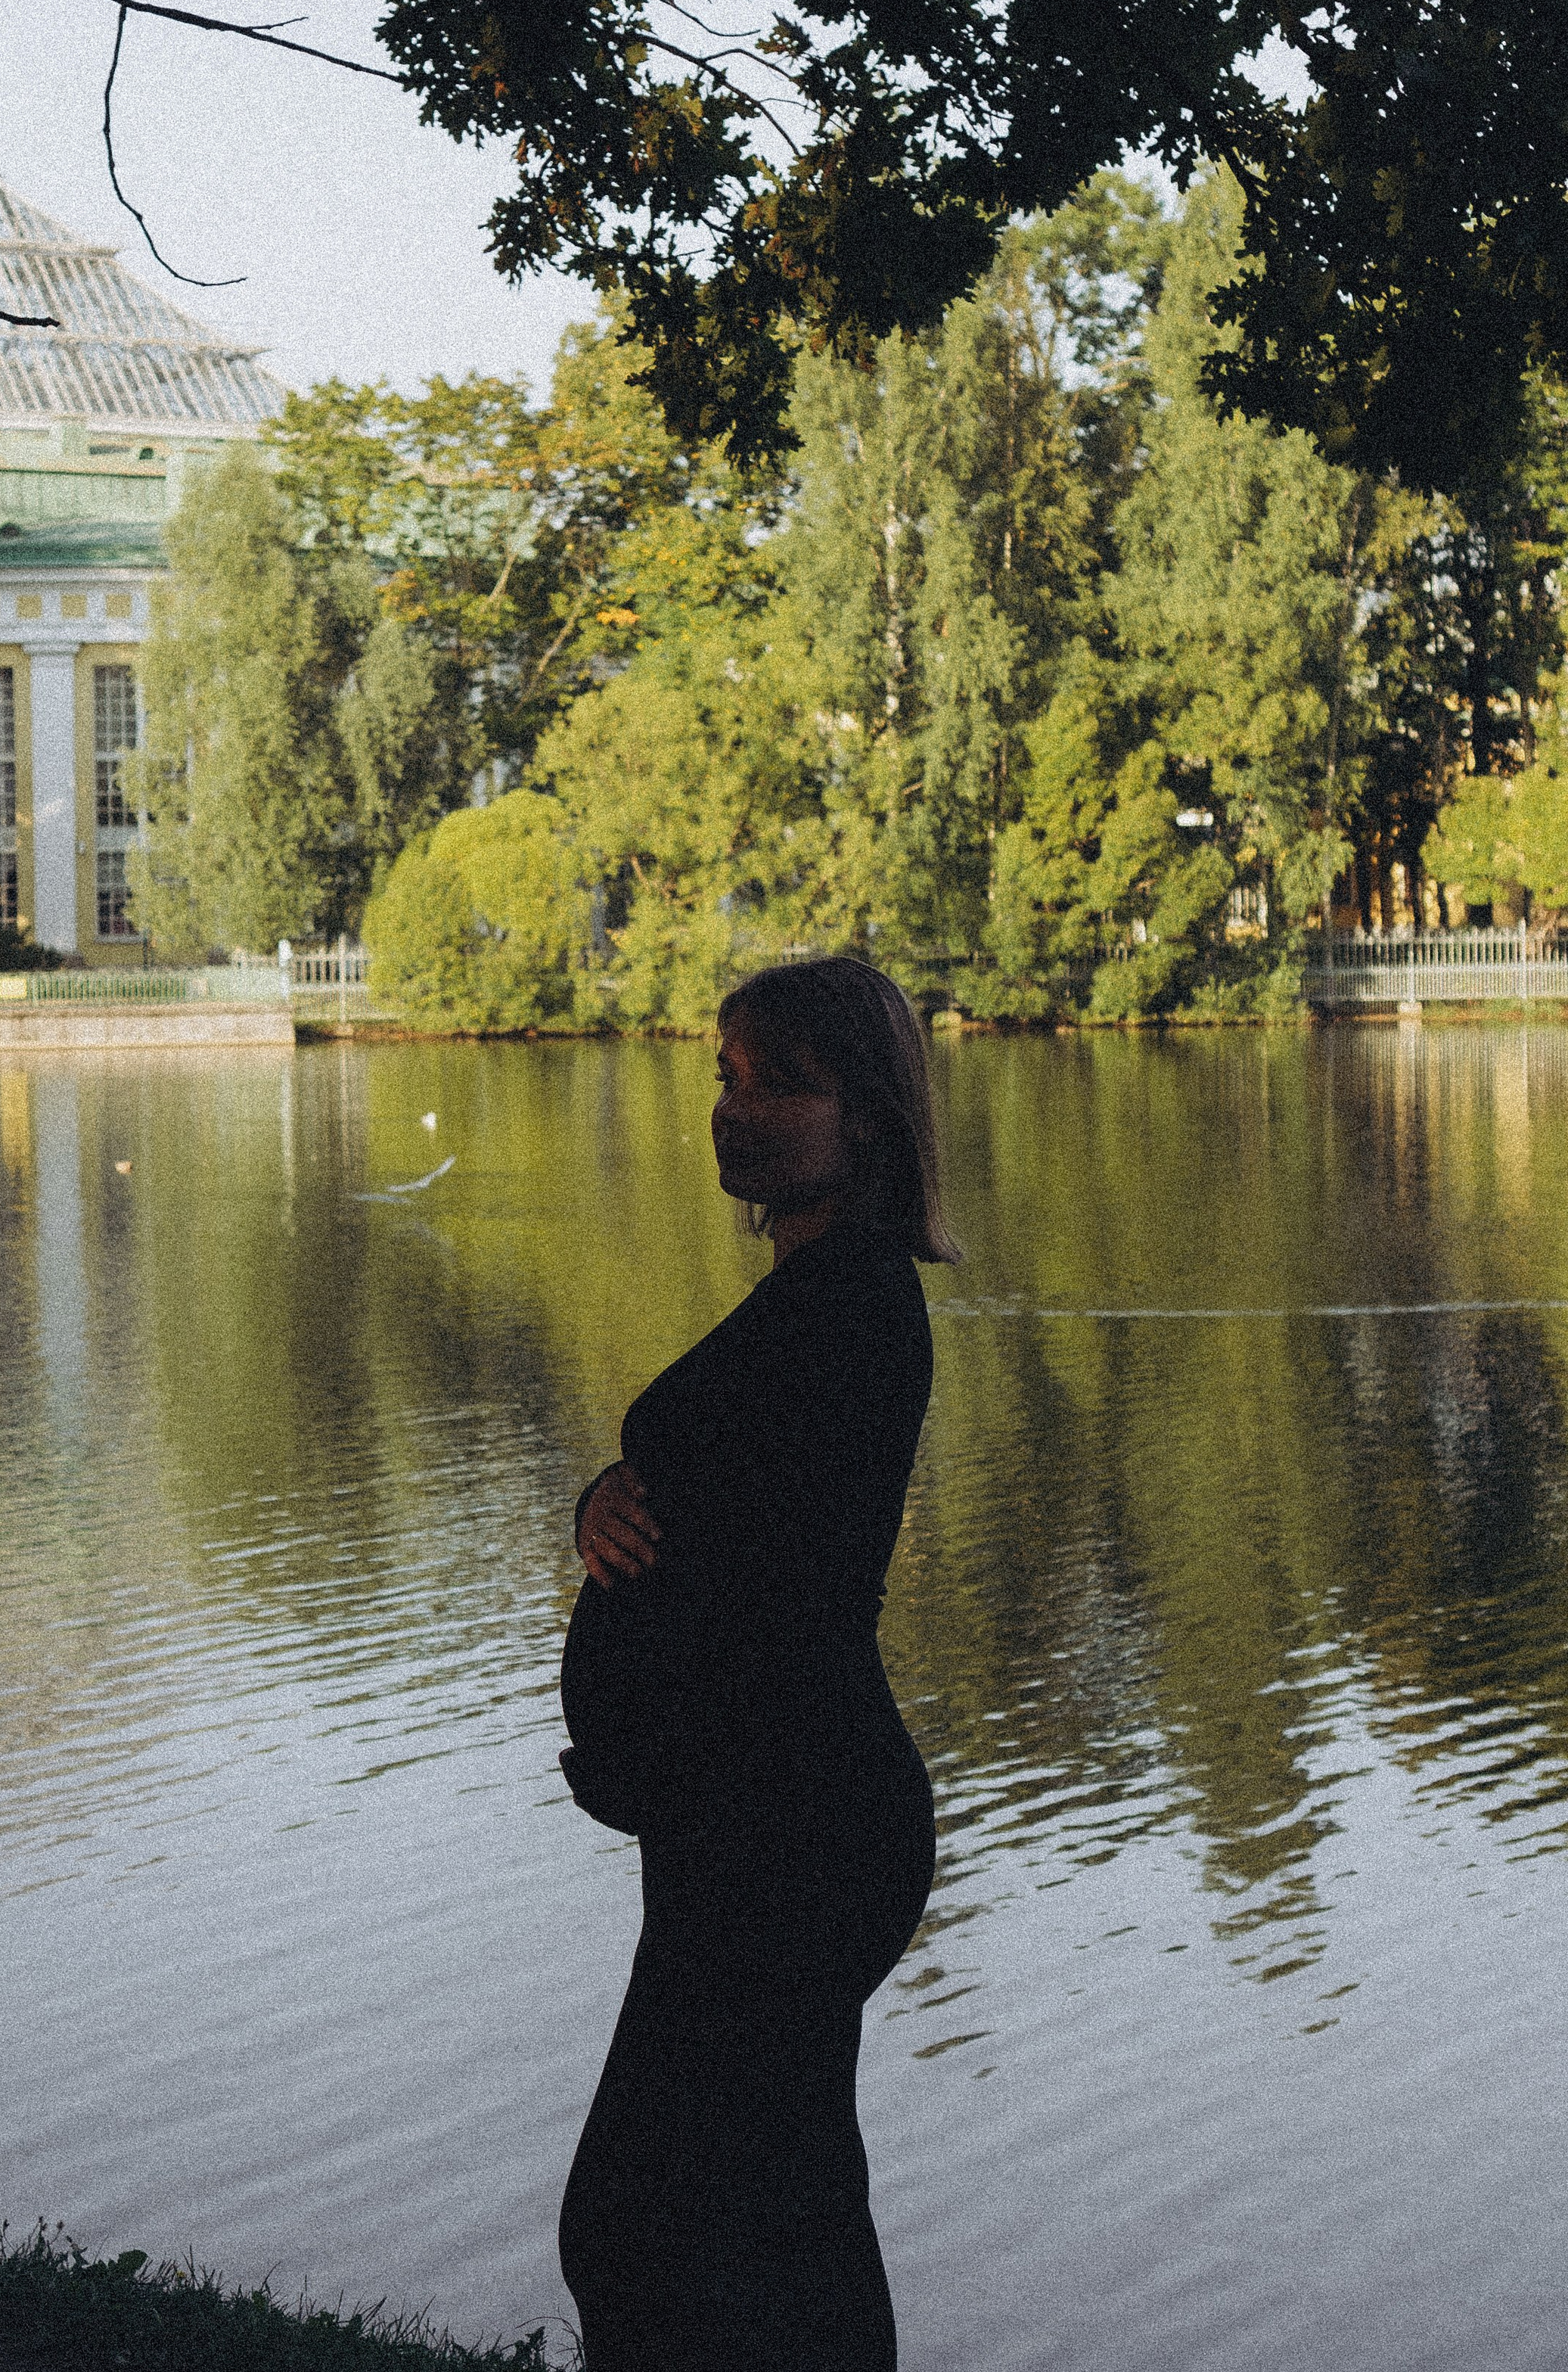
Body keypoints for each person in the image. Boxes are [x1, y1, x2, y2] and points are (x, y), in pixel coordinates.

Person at [557, 955, 960, 2372]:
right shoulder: (811, 1295)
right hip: (758, 1815)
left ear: (867, 1117)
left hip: (790, 1819)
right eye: (729, 1078)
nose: (738, 1112)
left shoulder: (851, 1302)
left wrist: (636, 1726)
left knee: (658, 2217)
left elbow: (770, 1581)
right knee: (758, 2207)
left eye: (781, 1083)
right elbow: (713, 1492)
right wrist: (607, 1494)